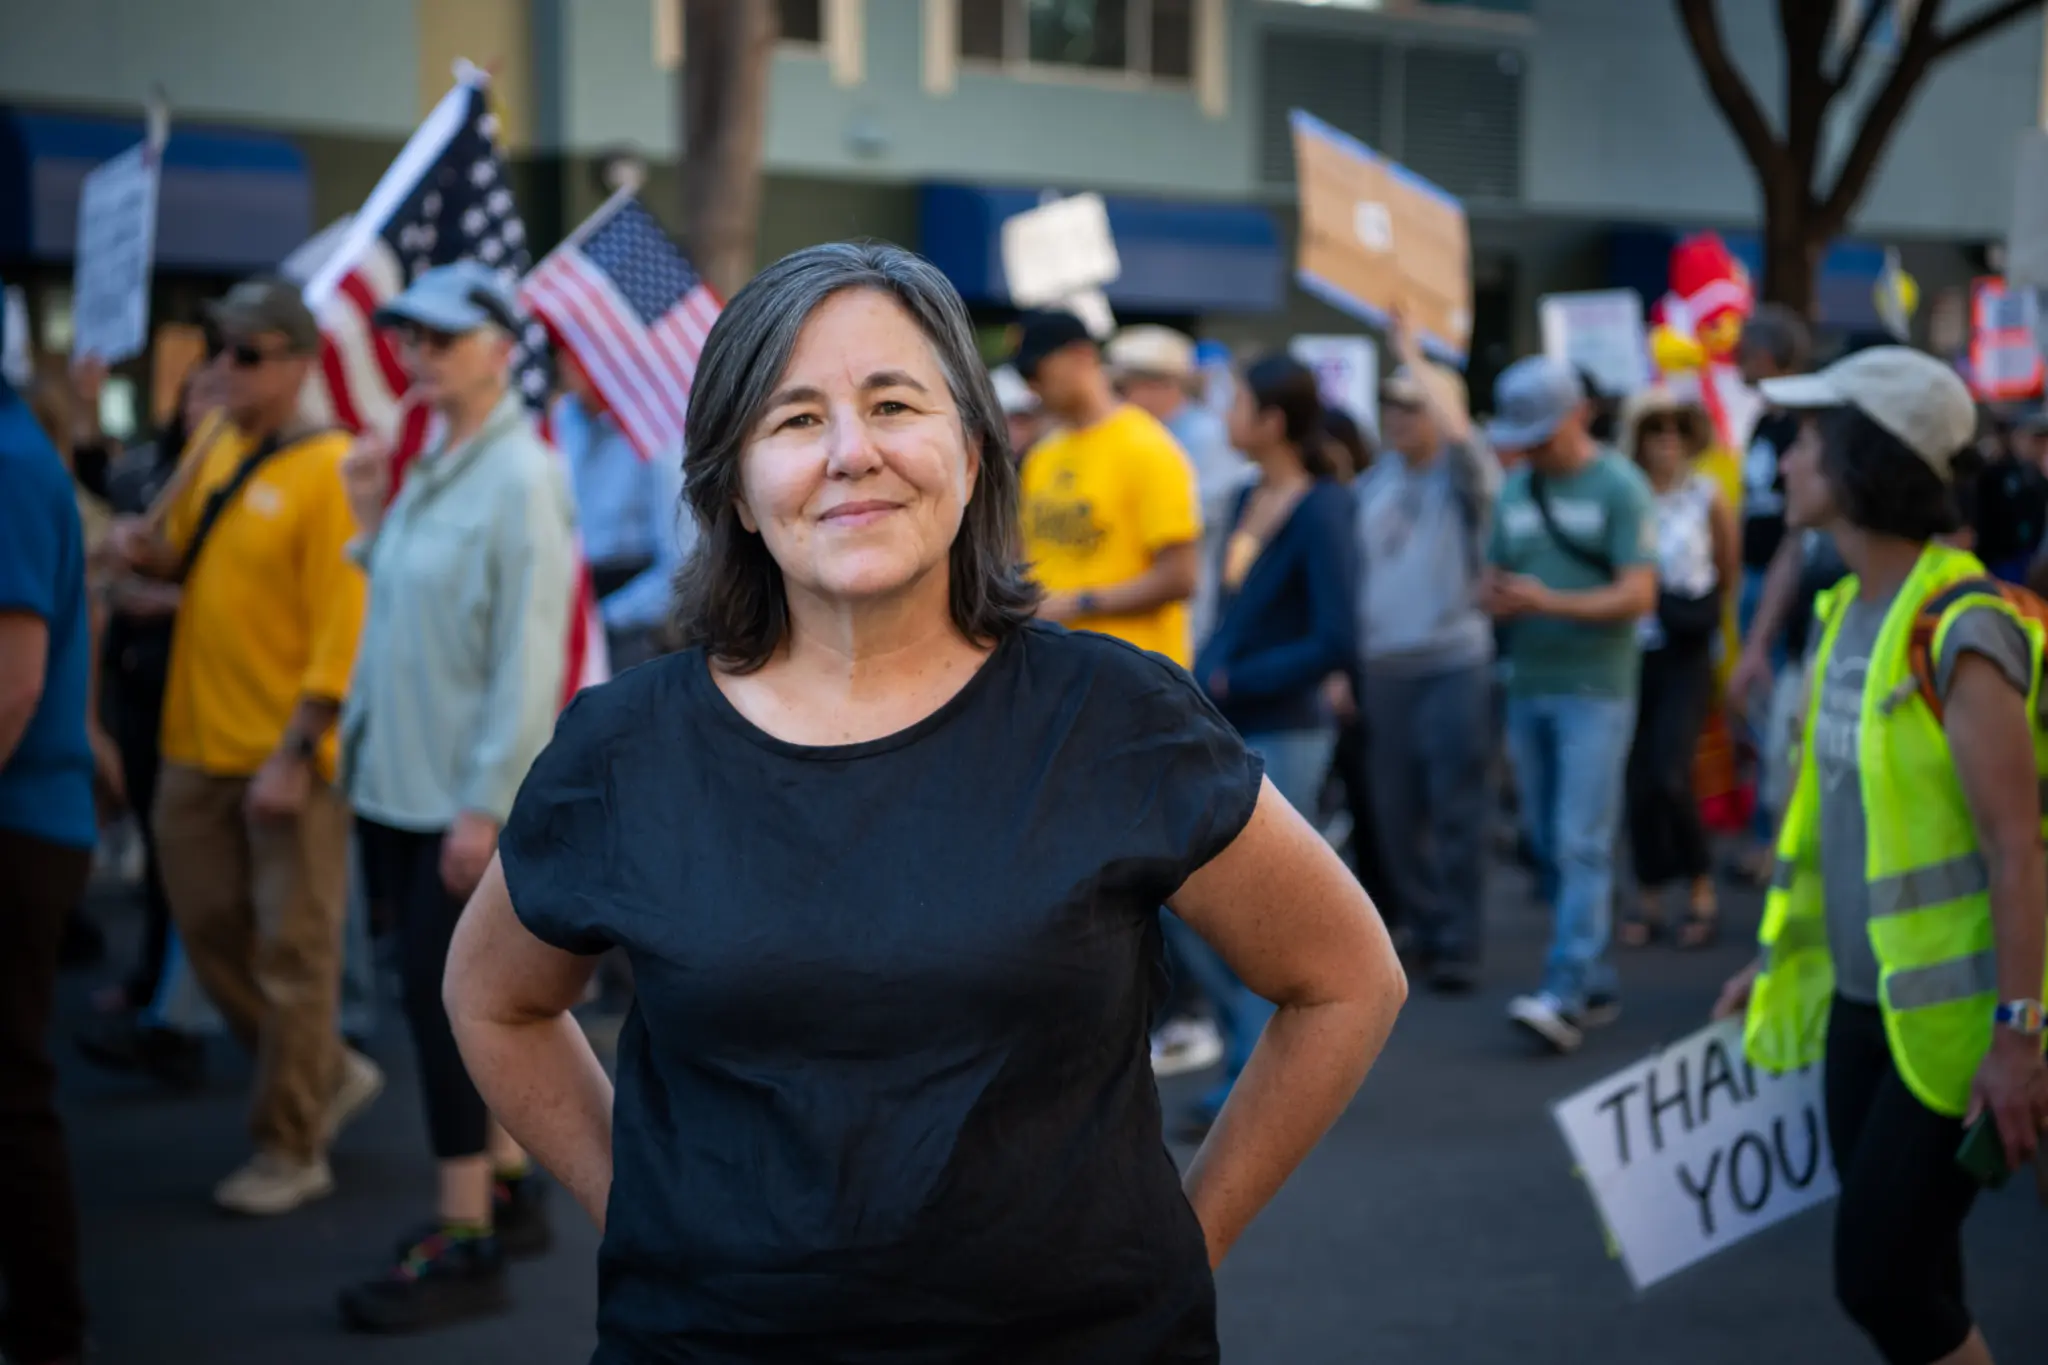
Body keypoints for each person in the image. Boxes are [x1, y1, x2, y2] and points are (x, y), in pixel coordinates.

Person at [444, 242, 1407, 1363]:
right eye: (794, 420)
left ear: (973, 447)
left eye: (893, 403)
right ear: (735, 490)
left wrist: (1188, 1241)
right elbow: (493, 999)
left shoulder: (1115, 718)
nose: (852, 453)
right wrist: (645, 1213)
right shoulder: (623, 750)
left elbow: (1344, 979)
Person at [1713, 346, 2048, 1365]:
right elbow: (1836, 831)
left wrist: (2017, 1035)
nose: (1782, 462)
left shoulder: (1960, 627)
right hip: (1862, 1015)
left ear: (1864, 459)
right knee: (1920, 1270)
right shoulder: (1841, 615)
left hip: (1952, 1028)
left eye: (1806, 440)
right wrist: (1767, 963)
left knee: (1879, 1277)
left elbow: (2014, 851)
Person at [108, 277, 382, 1216]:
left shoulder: (329, 468)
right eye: (220, 350)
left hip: (283, 755)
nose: (226, 369)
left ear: (301, 363)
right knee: (208, 926)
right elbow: (180, 553)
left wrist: (297, 750)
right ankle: (320, 1068)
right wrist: (140, 548)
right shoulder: (217, 443)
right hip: (194, 737)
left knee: (295, 956)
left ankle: (291, 1141)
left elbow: (341, 630)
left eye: (250, 353)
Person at [333, 262, 573, 1331]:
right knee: (435, 1003)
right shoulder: (437, 460)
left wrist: (485, 806)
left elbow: (530, 660)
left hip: (453, 802)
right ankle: (510, 1181)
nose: (418, 357)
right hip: (399, 783)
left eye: (439, 338)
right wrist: (370, 513)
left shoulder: (522, 474)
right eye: (410, 340)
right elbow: (402, 602)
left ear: (495, 344)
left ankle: (464, 1235)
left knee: (446, 1018)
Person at [1173, 352, 1355, 1139]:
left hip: (1288, 725)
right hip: (1232, 718)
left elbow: (1337, 635)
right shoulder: (1248, 493)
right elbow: (1231, 605)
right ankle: (1254, 1057)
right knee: (1185, 898)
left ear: (1273, 418)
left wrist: (1239, 674)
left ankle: (1261, 1077)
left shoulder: (1324, 507)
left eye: (1238, 402)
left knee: (1266, 912)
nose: (1226, 417)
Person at [1482, 356, 1657, 1054]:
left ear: (1578, 415)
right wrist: (1495, 596)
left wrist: (1545, 601)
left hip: (1597, 686)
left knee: (1578, 838)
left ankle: (1567, 984)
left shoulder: (1620, 484)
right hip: (1528, 681)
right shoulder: (1515, 490)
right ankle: (1591, 976)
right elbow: (1492, 573)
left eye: (1542, 431)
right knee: (1550, 841)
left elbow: (1640, 594)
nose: (1533, 446)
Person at [0, 290, 105, 1365]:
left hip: (19, 825)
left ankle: (45, 1331)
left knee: (12, 1094)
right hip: (40, 815)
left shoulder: (10, 465)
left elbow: (12, 686)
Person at [1354, 319, 1499, 994]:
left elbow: (1466, 442)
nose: (1399, 416)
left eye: (1414, 405)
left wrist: (1414, 355)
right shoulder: (1372, 481)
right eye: (1391, 403)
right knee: (1392, 811)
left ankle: (1456, 939)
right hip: (1383, 667)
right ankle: (1416, 925)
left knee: (1455, 808)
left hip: (1451, 663)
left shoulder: (1462, 477)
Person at [1614, 388, 1736, 951]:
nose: (1666, 443)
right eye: (1654, 430)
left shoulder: (1706, 496)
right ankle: (1650, 887)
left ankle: (1699, 879)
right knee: (1638, 777)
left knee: (1671, 769)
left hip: (1686, 647)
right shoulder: (1622, 492)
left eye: (1676, 431)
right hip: (1628, 647)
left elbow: (1727, 570)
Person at [1014, 311, 1202, 667]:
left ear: (1081, 356)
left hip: (1135, 676)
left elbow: (1181, 576)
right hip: (1056, 670)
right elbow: (1026, 557)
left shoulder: (1147, 448)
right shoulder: (1044, 455)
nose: (1032, 386)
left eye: (1036, 371)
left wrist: (1077, 603)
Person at [1107, 325, 1251, 648]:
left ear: (1163, 384)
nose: (1117, 398)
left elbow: (1197, 517)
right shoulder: (1129, 436)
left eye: (1124, 387)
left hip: (1189, 618)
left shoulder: (1205, 436)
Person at [553, 345, 691, 670]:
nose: (569, 362)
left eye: (580, 347)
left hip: (628, 619)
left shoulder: (657, 429)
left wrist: (608, 617)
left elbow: (680, 562)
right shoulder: (562, 419)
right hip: (568, 597)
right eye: (565, 348)